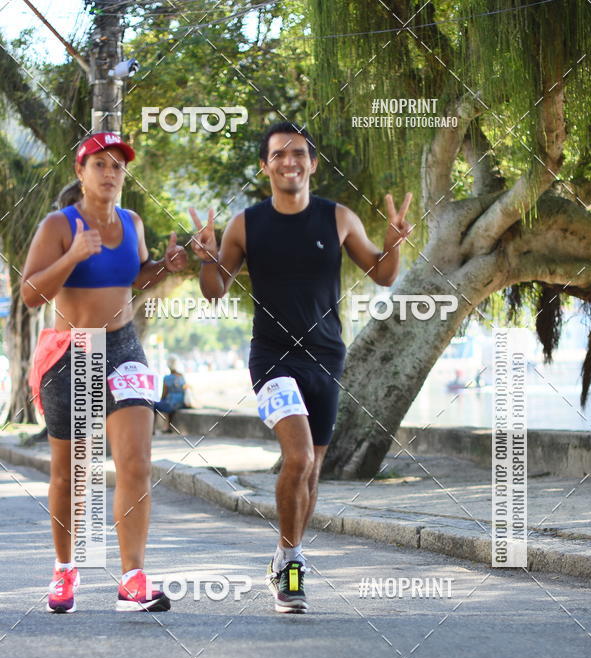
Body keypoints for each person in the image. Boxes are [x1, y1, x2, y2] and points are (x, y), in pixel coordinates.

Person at [190, 121, 412, 613]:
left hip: (326, 357)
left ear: (312, 164)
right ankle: (292, 567)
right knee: (299, 458)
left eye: (298, 154)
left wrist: (394, 242)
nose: (288, 162)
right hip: (272, 357)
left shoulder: (338, 218)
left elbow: (382, 274)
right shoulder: (245, 225)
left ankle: (284, 556)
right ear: (265, 166)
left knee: (313, 472)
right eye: (278, 154)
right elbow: (215, 289)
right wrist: (206, 259)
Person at [22, 131, 187, 613]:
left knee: (135, 462)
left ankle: (133, 578)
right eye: (100, 164)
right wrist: (73, 255)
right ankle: (64, 569)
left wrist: (166, 266)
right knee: (70, 475)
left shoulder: (132, 222)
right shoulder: (58, 225)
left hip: (124, 346)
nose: (111, 173)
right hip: (71, 351)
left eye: (118, 166)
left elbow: (136, 276)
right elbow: (30, 293)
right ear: (81, 172)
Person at [154, 354, 188, 433]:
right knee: (168, 405)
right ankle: (167, 427)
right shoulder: (181, 376)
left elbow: (164, 394)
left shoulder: (167, 378)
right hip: (181, 403)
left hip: (171, 404)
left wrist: (161, 400)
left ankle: (152, 429)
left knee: (154, 405)